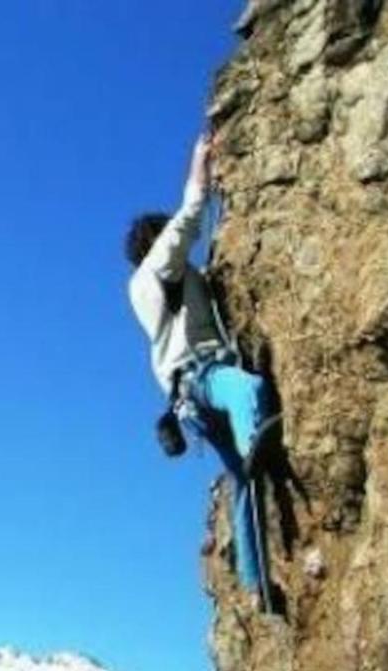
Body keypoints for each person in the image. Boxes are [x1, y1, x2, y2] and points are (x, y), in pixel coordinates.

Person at [124, 134, 277, 598]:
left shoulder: (142, 288)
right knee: (248, 392)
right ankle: (260, 452)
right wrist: (200, 159)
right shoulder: (158, 268)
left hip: (186, 398)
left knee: (241, 483)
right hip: (206, 377)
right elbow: (192, 212)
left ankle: (255, 580)